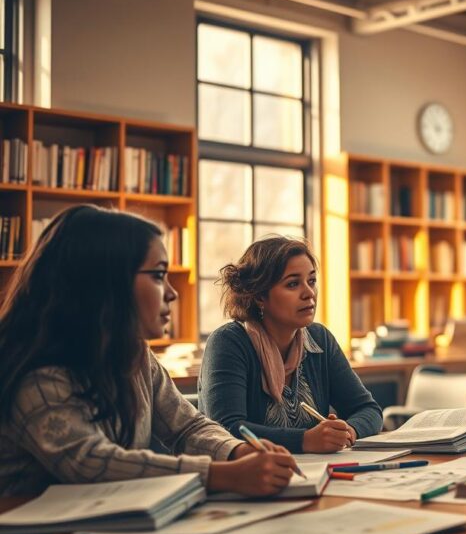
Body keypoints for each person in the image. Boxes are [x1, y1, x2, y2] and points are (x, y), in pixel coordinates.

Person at [0, 205, 298, 499]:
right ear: (105, 284)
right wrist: (223, 474)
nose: (173, 292)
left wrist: (238, 450)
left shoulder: (135, 355)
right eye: (158, 275)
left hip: (108, 528)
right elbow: (91, 462)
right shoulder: (35, 373)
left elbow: (187, 426)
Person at [200, 236, 383, 454]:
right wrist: (304, 441)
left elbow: (368, 409)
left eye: (312, 281)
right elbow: (225, 429)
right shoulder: (228, 342)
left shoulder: (320, 338)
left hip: (316, 473)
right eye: (293, 284)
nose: (309, 293)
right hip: (248, 477)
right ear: (259, 296)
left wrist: (348, 431)